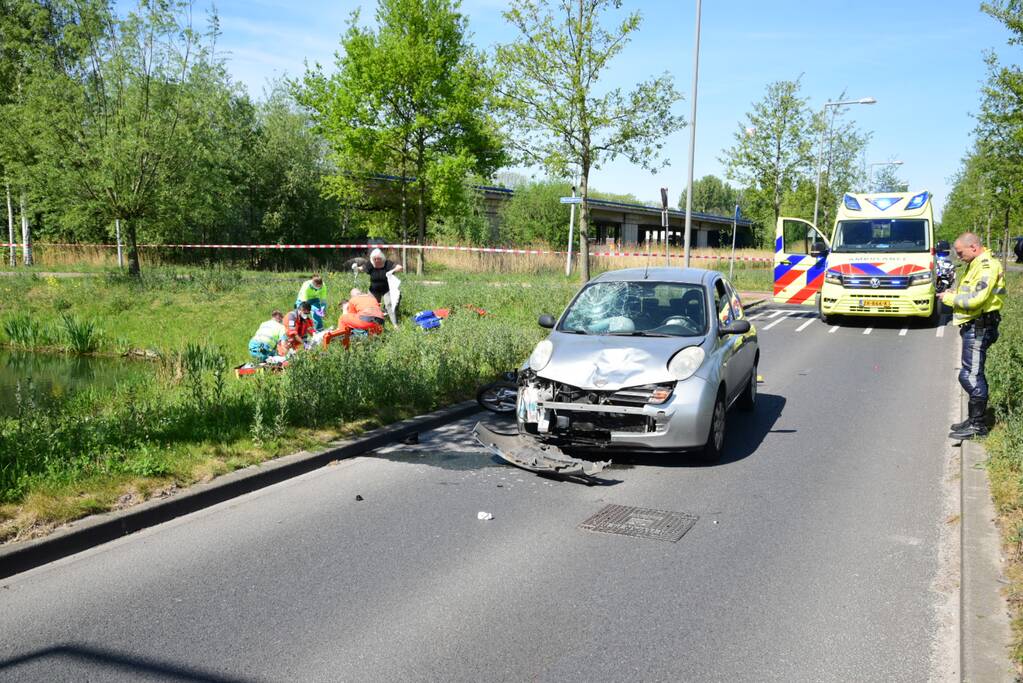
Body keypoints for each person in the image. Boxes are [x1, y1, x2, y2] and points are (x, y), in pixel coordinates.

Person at [943, 232, 1007, 439]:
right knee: (971, 372)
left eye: (960, 253)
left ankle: (978, 425)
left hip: (980, 326)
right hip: (976, 325)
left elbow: (977, 298)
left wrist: (949, 299)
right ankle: (973, 419)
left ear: (973, 247)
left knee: (970, 375)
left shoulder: (986, 266)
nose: (958, 256)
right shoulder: (976, 263)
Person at [358, 248, 403, 313]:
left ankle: (387, 311)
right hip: (374, 290)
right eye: (374, 259)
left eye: (378, 258)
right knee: (372, 308)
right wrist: (356, 268)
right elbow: (361, 268)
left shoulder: (387, 263)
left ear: (382, 258)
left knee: (391, 304)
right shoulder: (370, 264)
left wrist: (393, 270)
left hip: (387, 289)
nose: (376, 260)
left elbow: (399, 267)